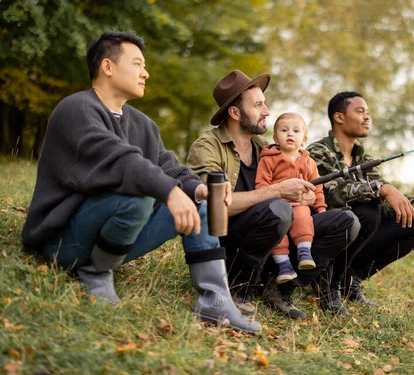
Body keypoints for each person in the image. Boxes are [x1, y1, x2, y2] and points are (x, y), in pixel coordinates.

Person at [20, 31, 261, 334]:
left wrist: (198, 190)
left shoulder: (143, 124)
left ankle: (214, 300)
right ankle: (96, 272)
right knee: (139, 196)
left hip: (108, 238)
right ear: (107, 66)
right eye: (137, 64)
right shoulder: (76, 110)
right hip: (60, 240)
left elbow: (169, 168)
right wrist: (170, 194)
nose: (146, 72)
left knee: (198, 203)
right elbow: (121, 161)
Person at [187, 70, 360, 320]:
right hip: (230, 242)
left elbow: (300, 185)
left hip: (277, 233)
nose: (267, 111)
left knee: (346, 222)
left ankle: (278, 287)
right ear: (235, 113)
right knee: (278, 210)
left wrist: (308, 198)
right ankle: (239, 289)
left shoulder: (266, 148)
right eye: (258, 105)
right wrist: (277, 191)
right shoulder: (207, 147)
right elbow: (212, 206)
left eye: (264, 104)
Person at [307, 91, 414, 309]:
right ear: (339, 117)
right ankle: (327, 282)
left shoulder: (365, 159)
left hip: (357, 228)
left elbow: (387, 203)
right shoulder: (318, 151)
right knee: (367, 213)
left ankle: (349, 280)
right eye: (360, 111)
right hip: (321, 233)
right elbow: (333, 194)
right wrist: (381, 189)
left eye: (368, 112)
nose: (367, 117)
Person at [255, 113, 327, 284]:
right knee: (277, 230)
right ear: (274, 137)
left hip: (298, 204)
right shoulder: (268, 160)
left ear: (304, 139)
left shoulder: (309, 162)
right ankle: (284, 265)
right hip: (276, 206)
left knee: (303, 217)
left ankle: (304, 253)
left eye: (296, 131)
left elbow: (317, 187)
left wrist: (321, 207)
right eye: (284, 130)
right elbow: (261, 185)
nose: (289, 134)